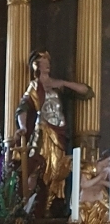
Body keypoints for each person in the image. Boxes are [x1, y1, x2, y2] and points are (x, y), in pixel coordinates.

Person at [14, 50, 93, 213]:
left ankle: (50, 205)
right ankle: (29, 205)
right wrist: (23, 127)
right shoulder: (34, 86)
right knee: (36, 167)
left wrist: (63, 83)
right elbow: (22, 108)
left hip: (59, 133)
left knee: (58, 171)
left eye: (48, 61)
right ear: (36, 65)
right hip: (43, 132)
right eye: (43, 61)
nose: (47, 64)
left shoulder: (57, 85)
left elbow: (86, 92)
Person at [47, 155, 110, 224]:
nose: (108, 163)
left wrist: (101, 182)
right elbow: (84, 185)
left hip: (100, 204)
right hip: (85, 204)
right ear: (102, 159)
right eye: (108, 160)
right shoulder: (89, 167)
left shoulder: (107, 170)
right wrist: (99, 178)